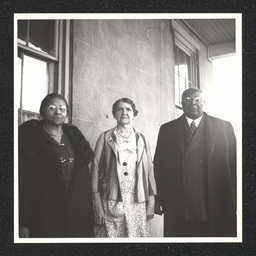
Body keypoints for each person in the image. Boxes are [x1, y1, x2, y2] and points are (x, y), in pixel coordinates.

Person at [154, 88, 236, 237]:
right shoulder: (167, 129)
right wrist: (159, 198)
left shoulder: (224, 127)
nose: (193, 103)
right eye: (188, 100)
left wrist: (238, 198)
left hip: (216, 200)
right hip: (179, 202)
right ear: (181, 104)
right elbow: (158, 166)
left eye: (197, 99)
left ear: (204, 102)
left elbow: (235, 164)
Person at [19, 93, 94, 238]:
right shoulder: (29, 139)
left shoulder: (75, 138)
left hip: (74, 210)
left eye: (62, 108)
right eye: (52, 108)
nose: (58, 111)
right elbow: (21, 184)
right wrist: (23, 222)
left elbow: (83, 181)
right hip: (44, 210)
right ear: (43, 112)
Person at [91, 98, 157, 237]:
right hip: (111, 198)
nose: (124, 112)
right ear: (114, 114)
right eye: (119, 109)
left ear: (134, 114)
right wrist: (97, 202)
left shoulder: (142, 139)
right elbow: (95, 169)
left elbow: (150, 170)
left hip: (137, 200)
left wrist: (151, 200)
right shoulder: (105, 137)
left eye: (128, 109)